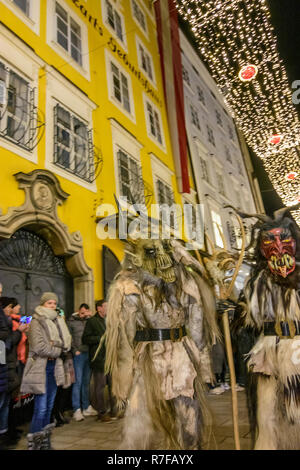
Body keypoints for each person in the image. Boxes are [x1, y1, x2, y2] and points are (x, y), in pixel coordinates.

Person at [105, 238, 219, 450]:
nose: (163, 260)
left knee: (187, 415)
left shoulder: (185, 281)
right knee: (139, 416)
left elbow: (196, 323)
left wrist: (201, 363)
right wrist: (124, 374)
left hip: (181, 356)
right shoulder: (129, 285)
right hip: (148, 357)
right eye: (152, 252)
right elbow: (125, 332)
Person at [221, 203, 300, 450]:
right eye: (269, 240)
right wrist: (230, 310)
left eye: (283, 238)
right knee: (267, 413)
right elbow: (247, 320)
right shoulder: (258, 280)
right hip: (268, 352)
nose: (277, 246)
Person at [20, 292, 72, 450]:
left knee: (49, 407)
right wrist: (58, 349)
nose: (53, 306)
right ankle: (34, 445)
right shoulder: (36, 321)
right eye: (49, 303)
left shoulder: (58, 322)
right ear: (43, 304)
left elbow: (66, 343)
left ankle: (45, 442)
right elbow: (39, 347)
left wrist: (54, 343)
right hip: (40, 368)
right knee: (41, 408)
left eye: (54, 303)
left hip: (54, 367)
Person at [82, 300, 115, 422]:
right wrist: (101, 338)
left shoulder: (109, 321)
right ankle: (101, 412)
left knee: (113, 386)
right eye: (106, 306)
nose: (108, 308)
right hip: (98, 359)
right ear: (99, 308)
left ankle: (114, 410)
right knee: (100, 387)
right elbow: (85, 339)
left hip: (110, 358)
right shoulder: (92, 321)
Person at [0, 297, 26, 449]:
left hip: (11, 364)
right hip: (7, 364)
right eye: (10, 307)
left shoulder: (10, 321)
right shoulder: (7, 325)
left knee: (7, 403)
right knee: (4, 403)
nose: (12, 309)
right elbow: (6, 344)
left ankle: (6, 433)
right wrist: (18, 332)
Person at [67, 303, 97, 421]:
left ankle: (86, 407)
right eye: (82, 312)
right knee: (77, 382)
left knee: (86, 382)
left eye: (86, 312)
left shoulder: (90, 321)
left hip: (88, 353)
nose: (83, 315)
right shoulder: (72, 321)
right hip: (78, 355)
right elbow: (69, 337)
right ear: (78, 311)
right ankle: (76, 409)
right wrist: (75, 351)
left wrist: (90, 317)